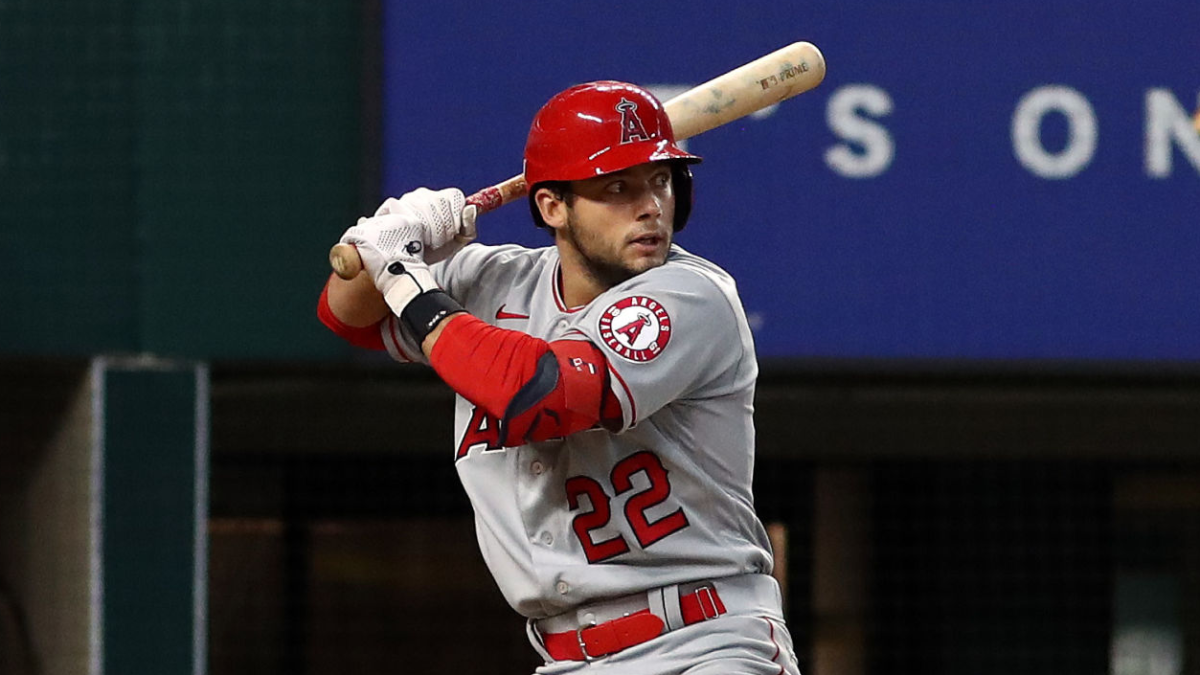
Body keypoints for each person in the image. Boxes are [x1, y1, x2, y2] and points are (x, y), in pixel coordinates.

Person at [318, 80, 800, 675]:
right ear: (553, 206)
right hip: (566, 656)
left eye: (661, 180)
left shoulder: (691, 295)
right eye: (617, 188)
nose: (650, 205)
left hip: (703, 642)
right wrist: (389, 241)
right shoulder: (498, 282)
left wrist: (403, 276)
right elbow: (346, 314)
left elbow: (542, 394)